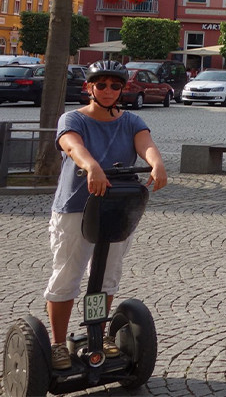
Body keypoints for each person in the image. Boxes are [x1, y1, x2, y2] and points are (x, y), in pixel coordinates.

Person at [44, 60, 168, 370]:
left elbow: (146, 144)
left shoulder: (131, 121)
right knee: (67, 275)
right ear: (89, 87)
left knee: (106, 277)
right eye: (101, 85)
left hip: (116, 210)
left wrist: (157, 163)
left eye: (115, 85)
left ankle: (97, 336)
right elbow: (72, 146)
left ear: (123, 89)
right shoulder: (73, 118)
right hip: (76, 208)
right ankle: (59, 344)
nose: (109, 91)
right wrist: (91, 165)